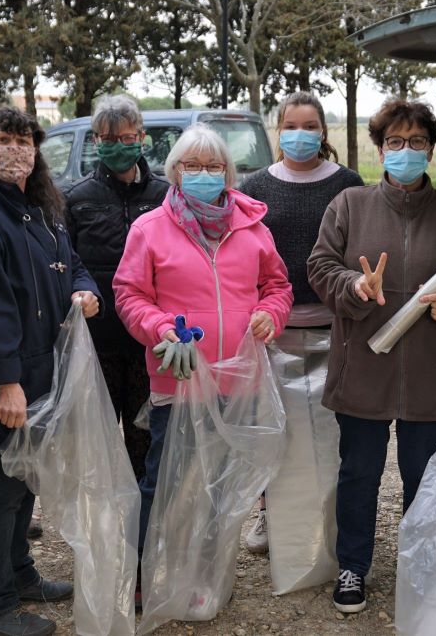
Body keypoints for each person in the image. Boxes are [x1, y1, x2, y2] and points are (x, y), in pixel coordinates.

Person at [307, 98, 436, 614]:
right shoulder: (349, 206)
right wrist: (354, 285)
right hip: (363, 365)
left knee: (425, 474)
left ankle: (422, 562)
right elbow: (320, 267)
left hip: (431, 373)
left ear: (431, 148)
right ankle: (352, 565)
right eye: (394, 142)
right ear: (379, 148)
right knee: (359, 473)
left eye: (415, 142)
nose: (405, 151)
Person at [113, 123, 293, 600]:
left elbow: (277, 286)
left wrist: (268, 314)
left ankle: (206, 574)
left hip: (239, 379)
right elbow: (129, 294)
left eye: (213, 166)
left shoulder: (253, 226)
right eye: (192, 165)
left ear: (229, 173)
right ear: (174, 171)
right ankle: (141, 575)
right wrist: (160, 328)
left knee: (222, 483)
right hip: (180, 377)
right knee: (165, 480)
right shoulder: (149, 228)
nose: (203, 174)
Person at [0, 108, 102, 636]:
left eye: (26, 140)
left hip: (44, 368)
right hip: (7, 378)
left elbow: (70, 260)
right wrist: (6, 381)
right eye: (5, 140)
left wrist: (86, 289)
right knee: (3, 486)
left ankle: (20, 574)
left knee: (26, 478)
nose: (18, 150)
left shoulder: (40, 208)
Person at [238, 91, 363, 553]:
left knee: (332, 430)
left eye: (310, 126)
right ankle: (272, 515)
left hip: (337, 325)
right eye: (291, 125)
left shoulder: (347, 183)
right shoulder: (254, 187)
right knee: (276, 429)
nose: (300, 134)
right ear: (278, 130)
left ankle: (329, 516)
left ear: (323, 132)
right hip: (273, 329)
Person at [65, 95, 169, 480]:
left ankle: (143, 526)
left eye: (127, 138)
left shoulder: (164, 195)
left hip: (149, 342)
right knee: (99, 442)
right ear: (96, 140)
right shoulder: (76, 199)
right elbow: (68, 265)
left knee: (146, 437)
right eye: (109, 139)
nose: (119, 146)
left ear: (141, 137)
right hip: (98, 341)